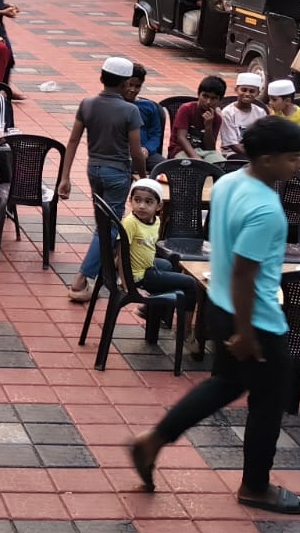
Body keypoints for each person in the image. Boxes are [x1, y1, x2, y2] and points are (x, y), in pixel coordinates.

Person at [130, 117, 300, 516]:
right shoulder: (266, 209)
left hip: (219, 303)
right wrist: (246, 333)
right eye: (293, 158)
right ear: (268, 159)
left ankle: (154, 439)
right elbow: (245, 273)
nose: (299, 165)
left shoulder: (229, 183)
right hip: (256, 318)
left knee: (226, 384)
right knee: (269, 402)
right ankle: (256, 486)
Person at [59, 57, 145, 303]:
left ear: (101, 77)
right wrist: (144, 178)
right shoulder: (130, 110)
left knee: (102, 225)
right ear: (125, 83)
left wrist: (65, 177)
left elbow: (73, 141)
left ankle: (103, 274)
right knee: (108, 229)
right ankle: (81, 279)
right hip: (117, 173)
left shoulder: (87, 104)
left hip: (93, 170)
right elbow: (136, 151)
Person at [121, 179, 198, 338]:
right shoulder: (130, 223)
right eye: (137, 200)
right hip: (138, 276)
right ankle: (185, 332)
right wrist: (127, 284)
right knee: (190, 283)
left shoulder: (155, 221)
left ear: (159, 206)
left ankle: (149, 310)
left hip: (146, 267)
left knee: (167, 265)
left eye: (148, 202)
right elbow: (120, 255)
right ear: (130, 201)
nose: (142, 206)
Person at [170, 75, 226, 163]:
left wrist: (208, 127)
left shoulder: (217, 118)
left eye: (213, 98)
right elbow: (181, 137)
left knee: (221, 164)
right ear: (199, 94)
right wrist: (196, 158)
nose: (208, 101)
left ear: (219, 100)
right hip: (181, 150)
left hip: (204, 152)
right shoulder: (186, 109)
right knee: (191, 166)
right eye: (205, 96)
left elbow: (210, 148)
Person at [127, 63, 166, 172]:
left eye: (137, 86)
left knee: (166, 168)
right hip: (123, 154)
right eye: (130, 85)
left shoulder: (149, 106)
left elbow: (156, 134)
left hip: (147, 154)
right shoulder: (116, 105)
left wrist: (147, 149)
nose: (133, 89)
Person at [218, 73, 267, 157]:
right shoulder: (228, 113)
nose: (247, 94)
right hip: (233, 153)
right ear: (236, 89)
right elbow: (232, 144)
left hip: (255, 153)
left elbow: (264, 137)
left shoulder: (260, 112)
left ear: (258, 93)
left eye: (252, 91)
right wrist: (254, 158)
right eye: (244, 90)